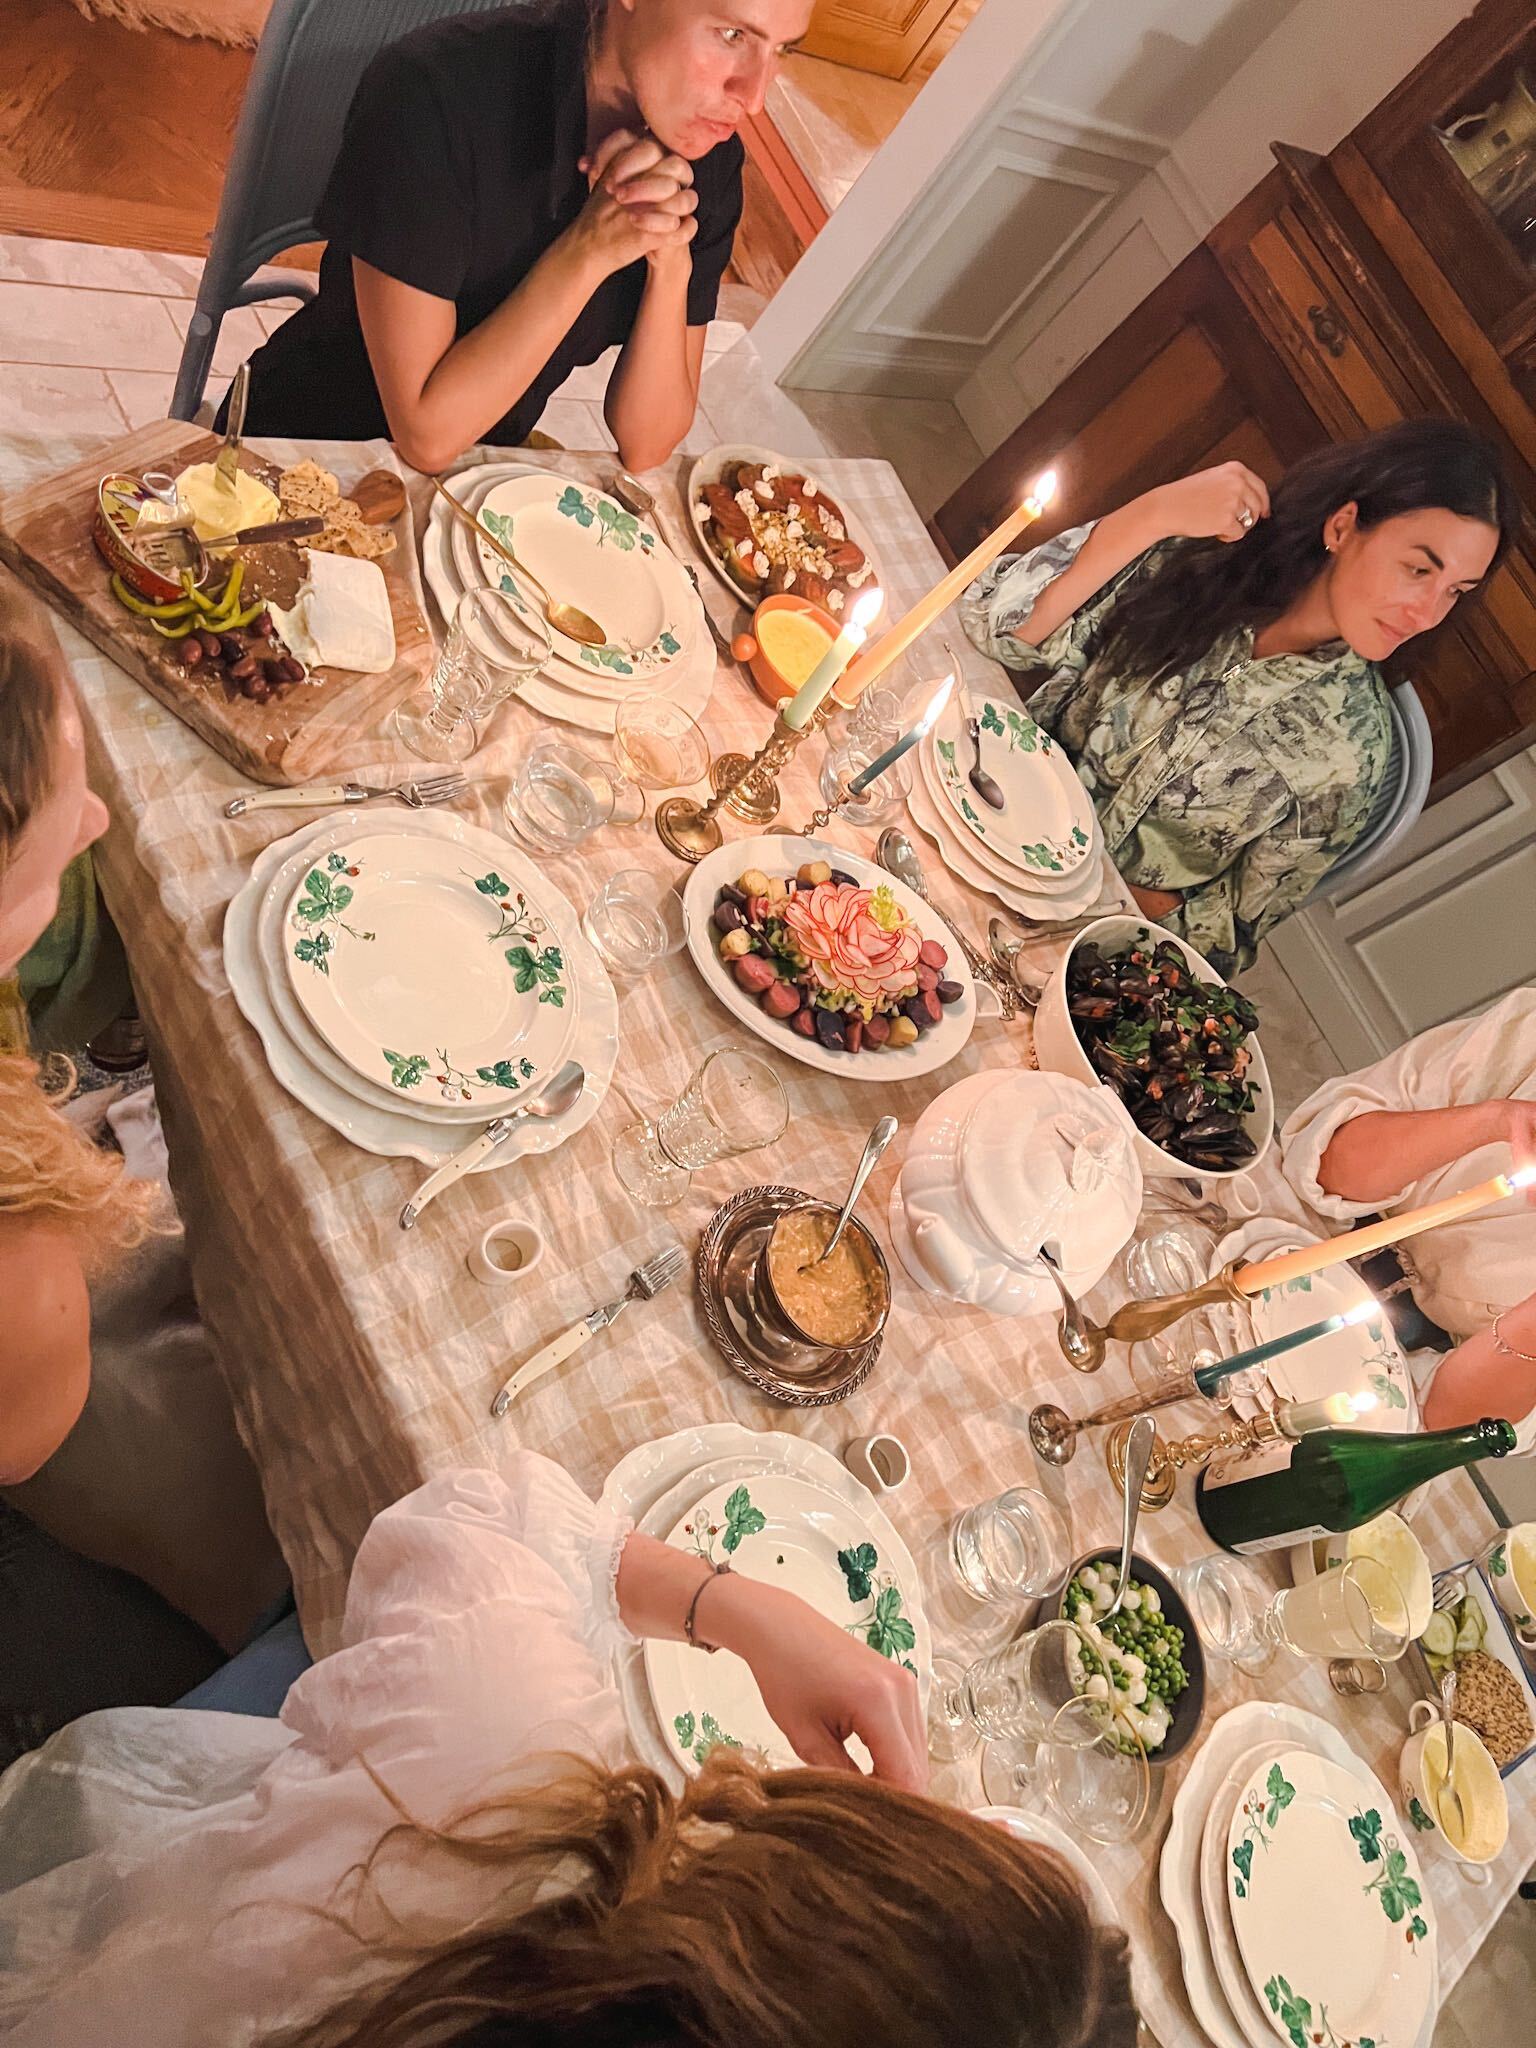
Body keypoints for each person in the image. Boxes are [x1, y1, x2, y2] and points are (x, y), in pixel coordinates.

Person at [0, 1452, 1138, 2048]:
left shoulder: (506, 1778)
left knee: (308, 1647)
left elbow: (487, 1514)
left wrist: (743, 1609)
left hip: (135, 1927)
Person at [0, 578, 285, 1758]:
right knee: (278, 1536)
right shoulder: (18, 1266)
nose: (98, 827)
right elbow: (26, 1432)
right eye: (54, 838)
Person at [960, 418, 1520, 974]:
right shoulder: (1200, 562)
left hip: (1064, 946)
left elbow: (1227, 934)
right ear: (1345, 527)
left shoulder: (1352, 757)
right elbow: (995, 624)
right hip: (975, 811)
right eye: (1418, 569)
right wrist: (1150, 515)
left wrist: (1106, 892)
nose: (1426, 614)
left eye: (1455, 592)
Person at [241, 0, 808, 473]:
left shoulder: (705, 155)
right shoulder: (434, 92)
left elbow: (647, 445)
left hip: (479, 476)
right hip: (300, 455)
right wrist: (588, 250)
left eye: (782, 49)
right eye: (732, 34)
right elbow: (426, 436)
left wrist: (670, 264)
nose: (754, 96)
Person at [1275, 987, 1536, 1444]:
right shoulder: (1528, 1037)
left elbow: (1454, 1424)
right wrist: (1492, 1121)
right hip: (1276, 1228)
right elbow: (1322, 1164)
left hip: (1374, 1393)